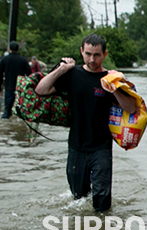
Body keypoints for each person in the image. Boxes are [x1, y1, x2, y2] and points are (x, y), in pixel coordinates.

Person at [34, 34, 138, 212]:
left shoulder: (111, 78)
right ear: (81, 51)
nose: (92, 59)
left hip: (102, 147)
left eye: (97, 55)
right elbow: (41, 90)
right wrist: (61, 69)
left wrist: (114, 90)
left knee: (102, 203)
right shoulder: (72, 74)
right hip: (76, 146)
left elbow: (132, 108)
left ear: (105, 54)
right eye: (88, 53)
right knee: (78, 198)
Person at [0, 41, 31, 118]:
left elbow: (0, 73)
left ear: (9, 49)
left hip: (9, 86)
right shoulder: (23, 60)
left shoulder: (4, 59)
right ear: (18, 49)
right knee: (21, 109)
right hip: (21, 87)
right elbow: (29, 74)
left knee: (7, 110)